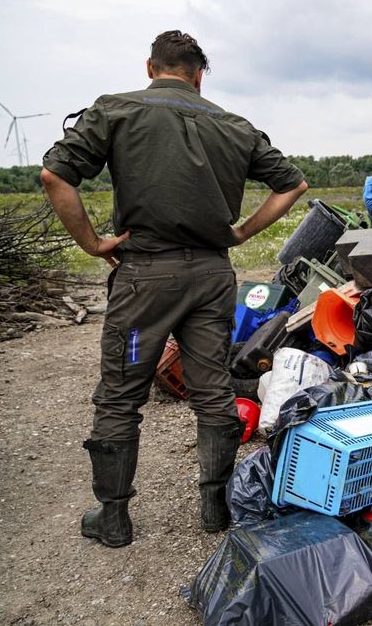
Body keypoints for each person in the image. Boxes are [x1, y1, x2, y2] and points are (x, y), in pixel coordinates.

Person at [41, 30, 308, 547]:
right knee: (212, 392)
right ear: (199, 74)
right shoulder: (234, 125)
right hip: (211, 278)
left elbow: (56, 175)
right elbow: (293, 183)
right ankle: (214, 508)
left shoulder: (115, 110)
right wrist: (242, 232)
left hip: (146, 281)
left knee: (121, 397)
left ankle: (114, 519)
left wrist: (94, 243)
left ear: (150, 68)